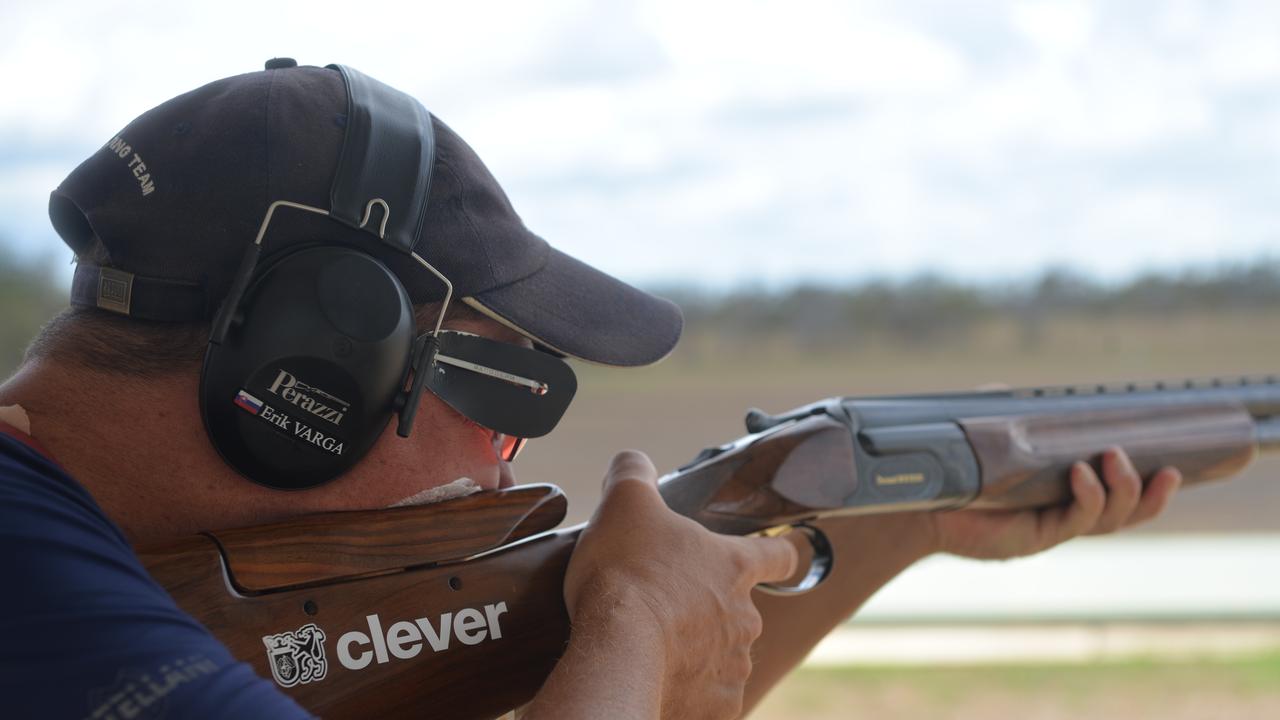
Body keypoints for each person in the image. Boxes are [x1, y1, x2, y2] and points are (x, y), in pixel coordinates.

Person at [0, 60, 1182, 720]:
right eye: (499, 384)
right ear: (309, 374)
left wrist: (908, 512)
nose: (503, 460)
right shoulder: (45, 604)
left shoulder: (76, 567)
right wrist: (630, 620)